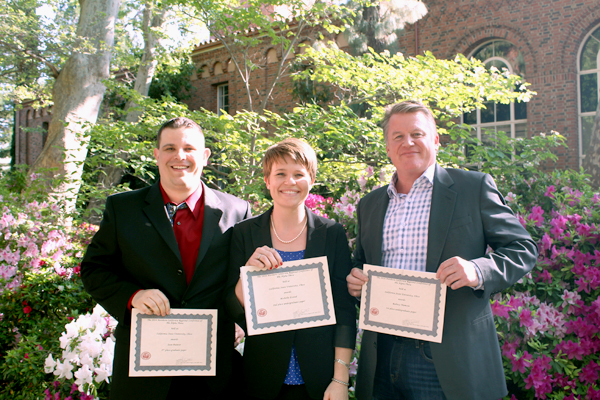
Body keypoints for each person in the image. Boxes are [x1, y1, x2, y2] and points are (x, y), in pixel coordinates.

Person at [346, 101, 538, 400]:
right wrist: (355, 279)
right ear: (387, 146)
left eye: (417, 134)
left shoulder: (472, 188)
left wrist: (477, 270)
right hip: (382, 352)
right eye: (397, 136)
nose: (407, 142)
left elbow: (522, 248)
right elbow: (361, 263)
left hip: (446, 359)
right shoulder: (370, 204)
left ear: (435, 140)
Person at [80, 117, 251, 400]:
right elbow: (93, 269)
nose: (179, 156)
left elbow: (242, 280)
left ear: (205, 156)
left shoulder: (237, 211)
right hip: (144, 374)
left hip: (213, 373)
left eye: (189, 148)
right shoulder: (123, 208)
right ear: (157, 154)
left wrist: (237, 318)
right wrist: (133, 296)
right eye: (170, 148)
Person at [225, 138, 356, 400]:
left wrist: (340, 379)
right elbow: (231, 306)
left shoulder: (332, 233)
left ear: (311, 180)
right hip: (262, 376)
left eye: (299, 174)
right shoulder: (244, 233)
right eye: (280, 174)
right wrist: (246, 276)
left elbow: (344, 310)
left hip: (319, 380)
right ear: (268, 181)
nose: (290, 182)